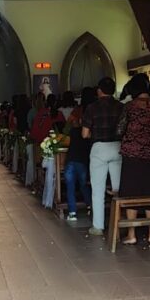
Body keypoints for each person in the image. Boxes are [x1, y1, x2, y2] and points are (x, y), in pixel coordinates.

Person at [117, 73, 150, 246]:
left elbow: (119, 130)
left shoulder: (129, 107)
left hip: (132, 156)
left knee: (131, 192)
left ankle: (132, 234)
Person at [82, 77, 124, 236]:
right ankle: (120, 222)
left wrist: (94, 133)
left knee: (98, 189)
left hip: (99, 148)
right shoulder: (121, 107)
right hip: (118, 147)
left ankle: (98, 226)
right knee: (118, 188)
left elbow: (84, 134)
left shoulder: (92, 108)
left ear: (99, 91)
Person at [63, 87, 97, 221]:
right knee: (84, 184)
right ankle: (90, 205)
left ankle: (72, 212)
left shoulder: (74, 125)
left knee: (70, 186)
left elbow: (65, 130)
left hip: (71, 159)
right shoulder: (94, 110)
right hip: (84, 159)